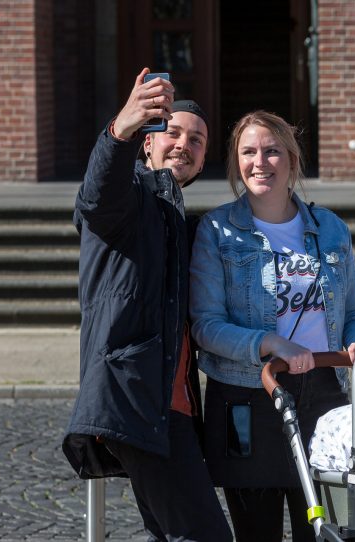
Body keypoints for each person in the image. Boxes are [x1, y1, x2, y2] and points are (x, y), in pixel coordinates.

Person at [189, 110, 355, 542]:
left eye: (272, 151)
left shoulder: (329, 227)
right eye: (248, 152)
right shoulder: (217, 231)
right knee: (258, 532)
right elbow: (206, 326)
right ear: (236, 161)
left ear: (292, 159)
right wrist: (270, 343)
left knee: (326, 530)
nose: (260, 162)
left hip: (323, 398)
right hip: (248, 398)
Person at [62, 68, 232, 541]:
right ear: (148, 144)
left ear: (203, 162)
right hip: (134, 397)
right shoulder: (132, 196)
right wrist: (120, 128)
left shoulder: (179, 219)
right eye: (172, 132)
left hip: (169, 405)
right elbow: (96, 199)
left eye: (197, 141)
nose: (184, 144)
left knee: (169, 532)